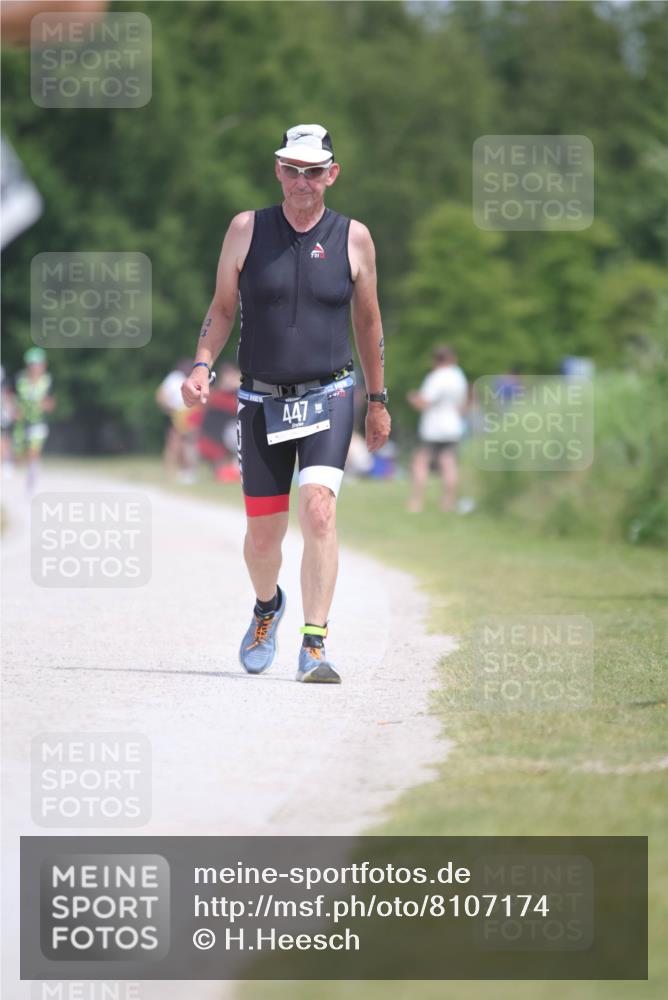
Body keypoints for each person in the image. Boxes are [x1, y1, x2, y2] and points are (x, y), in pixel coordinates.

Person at [181, 123, 390, 683]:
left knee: (319, 509)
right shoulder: (246, 229)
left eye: (314, 171)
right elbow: (222, 307)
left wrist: (378, 399)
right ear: (278, 170)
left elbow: (367, 321)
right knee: (262, 539)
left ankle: (315, 644)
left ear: (332, 174)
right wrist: (202, 363)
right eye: (293, 170)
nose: (303, 182)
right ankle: (267, 606)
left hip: (330, 393)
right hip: (259, 399)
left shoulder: (354, 237)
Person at [407, 345, 468, 513]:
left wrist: (413, 398)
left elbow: (424, 402)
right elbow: (463, 403)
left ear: (435, 360)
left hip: (434, 428)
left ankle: (416, 502)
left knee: (420, 462)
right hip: (453, 426)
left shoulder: (436, 377)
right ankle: (448, 503)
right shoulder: (459, 376)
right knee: (449, 465)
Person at [12, 346, 55, 493]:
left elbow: (51, 402)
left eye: (38, 364)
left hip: (38, 422)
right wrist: (13, 409)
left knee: (33, 451)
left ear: (44, 365)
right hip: (21, 423)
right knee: (18, 456)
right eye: (32, 364)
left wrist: (46, 404)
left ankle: (32, 476)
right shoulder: (19, 379)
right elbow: (9, 394)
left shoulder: (47, 381)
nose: (35, 368)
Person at [156, 359, 199, 484]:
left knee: (188, 444)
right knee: (175, 444)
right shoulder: (174, 378)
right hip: (179, 413)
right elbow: (160, 396)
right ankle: (173, 473)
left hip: (190, 413)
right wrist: (169, 409)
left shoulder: (193, 378)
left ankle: (187, 471)